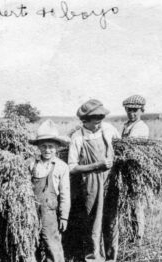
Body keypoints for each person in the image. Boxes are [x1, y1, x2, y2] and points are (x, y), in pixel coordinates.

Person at [68, 99, 120, 262]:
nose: (99, 122)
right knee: (93, 222)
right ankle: (94, 258)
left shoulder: (109, 130)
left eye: (101, 118)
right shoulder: (78, 137)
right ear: (85, 120)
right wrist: (97, 165)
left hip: (110, 181)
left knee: (111, 219)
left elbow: (120, 149)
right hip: (90, 184)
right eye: (95, 119)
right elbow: (72, 167)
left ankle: (112, 257)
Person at [28, 119, 71, 262]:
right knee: (30, 242)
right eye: (44, 146)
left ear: (57, 147)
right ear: (39, 147)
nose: (47, 150)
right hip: (31, 210)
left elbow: (65, 194)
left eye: (51, 146)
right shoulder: (31, 163)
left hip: (50, 212)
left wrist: (64, 216)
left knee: (52, 243)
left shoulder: (61, 166)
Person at [121, 94, 149, 242]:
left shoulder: (141, 127)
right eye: (129, 110)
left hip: (135, 169)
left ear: (141, 111)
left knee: (136, 203)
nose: (132, 113)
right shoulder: (127, 125)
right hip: (126, 168)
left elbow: (129, 147)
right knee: (128, 202)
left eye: (135, 110)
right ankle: (131, 234)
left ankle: (138, 237)